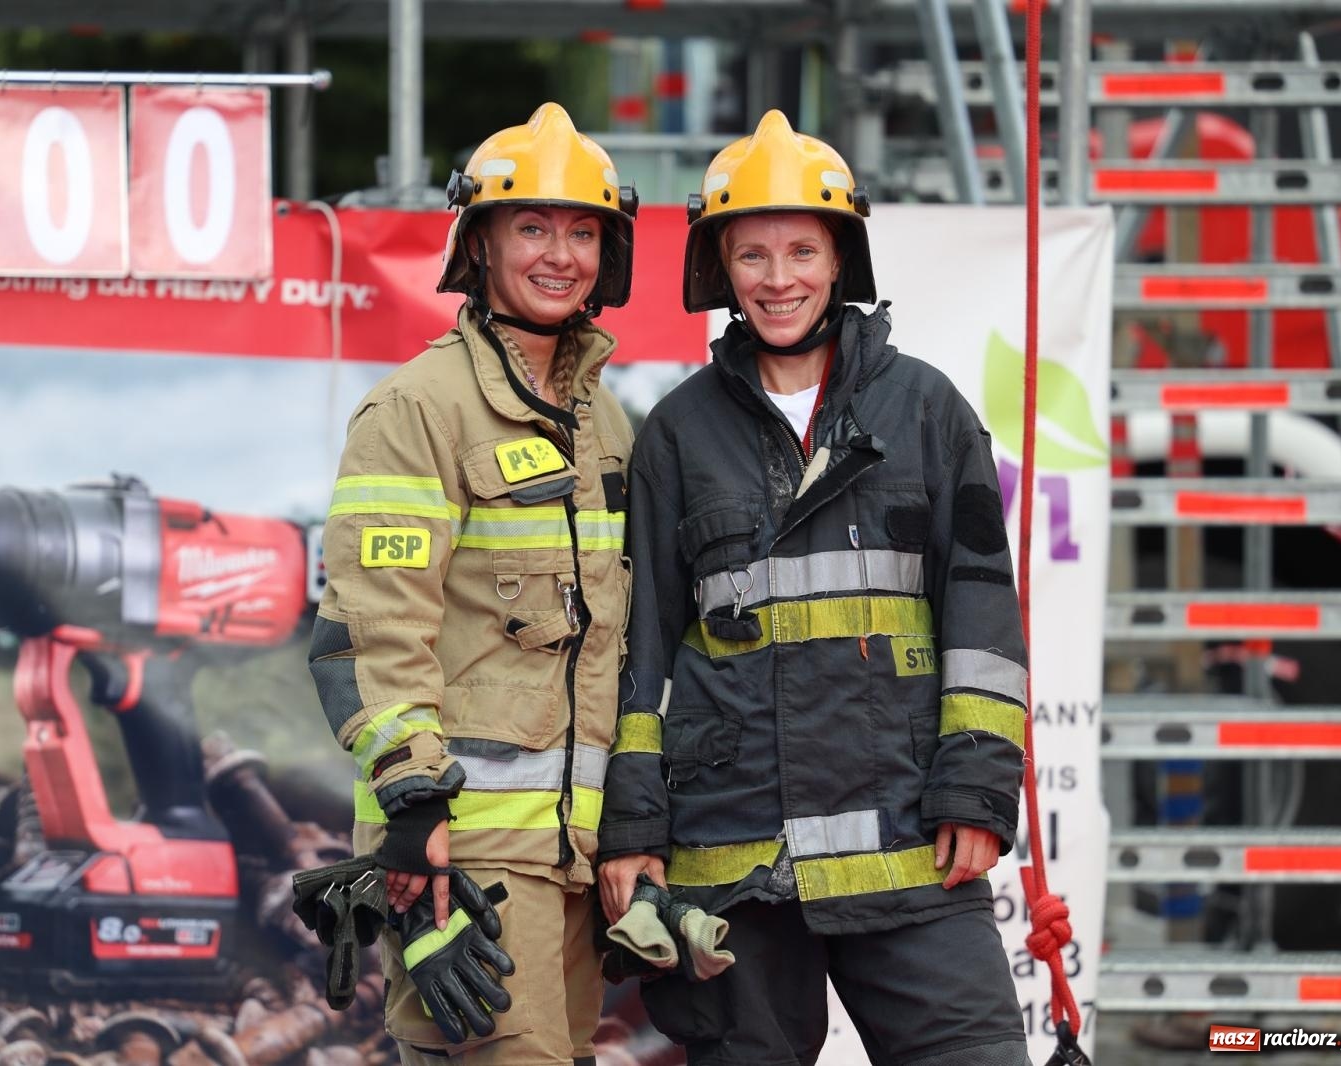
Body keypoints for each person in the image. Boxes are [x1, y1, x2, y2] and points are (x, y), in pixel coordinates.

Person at [597, 110, 1029, 1066]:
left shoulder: (925, 409)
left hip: (907, 836)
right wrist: (633, 826)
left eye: (802, 249)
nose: (778, 278)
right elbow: (641, 650)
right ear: (719, 267)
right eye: (752, 254)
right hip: (732, 852)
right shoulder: (676, 434)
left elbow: (982, 614)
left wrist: (978, 786)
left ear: (841, 260)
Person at [308, 102, 638, 1066]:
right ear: (480, 245)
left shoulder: (609, 424)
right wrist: (413, 819)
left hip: (574, 862)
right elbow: (371, 632)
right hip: (463, 857)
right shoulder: (417, 408)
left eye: (582, 232)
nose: (559, 254)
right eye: (531, 227)